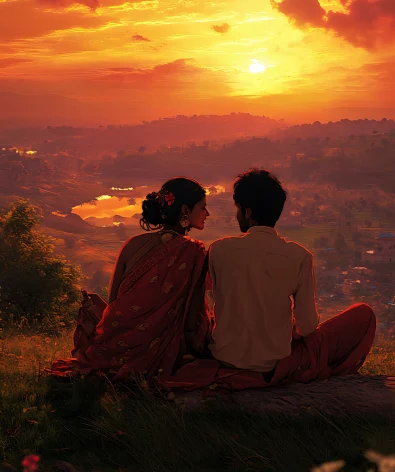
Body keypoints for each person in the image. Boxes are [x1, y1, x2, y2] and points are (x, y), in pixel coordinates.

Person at [164, 168, 376, 392]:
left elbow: (211, 295)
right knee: (363, 314)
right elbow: (307, 325)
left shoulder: (219, 250)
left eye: (238, 210)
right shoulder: (299, 256)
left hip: (224, 358)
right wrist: (287, 331)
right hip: (274, 364)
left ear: (247, 212)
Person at [50, 177, 211, 382]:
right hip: (162, 348)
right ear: (186, 211)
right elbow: (191, 318)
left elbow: (115, 301)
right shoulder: (193, 251)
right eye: (203, 207)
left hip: (115, 340)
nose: (207, 214)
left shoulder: (133, 243)